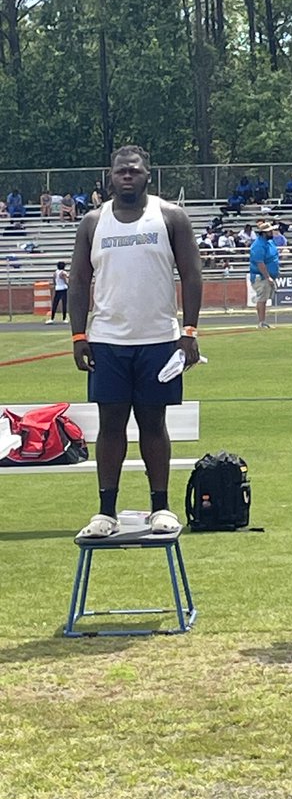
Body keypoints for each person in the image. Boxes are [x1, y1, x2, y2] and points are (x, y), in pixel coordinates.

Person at [68, 145, 202, 540]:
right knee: (110, 426)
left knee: (153, 423)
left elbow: (192, 276)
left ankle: (160, 506)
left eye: (135, 171)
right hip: (108, 340)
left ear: (148, 175)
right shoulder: (94, 222)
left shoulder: (170, 217)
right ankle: (105, 511)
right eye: (121, 171)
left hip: (159, 339)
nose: (128, 176)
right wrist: (79, 335)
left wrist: (189, 332)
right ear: (110, 177)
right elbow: (78, 281)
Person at [249, 218, 279, 328]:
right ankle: (261, 322)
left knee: (265, 298)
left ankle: (263, 321)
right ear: (264, 233)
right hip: (261, 276)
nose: (272, 233)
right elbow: (260, 263)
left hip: (268, 275)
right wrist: (267, 277)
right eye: (270, 231)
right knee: (262, 298)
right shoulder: (258, 245)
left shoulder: (269, 242)